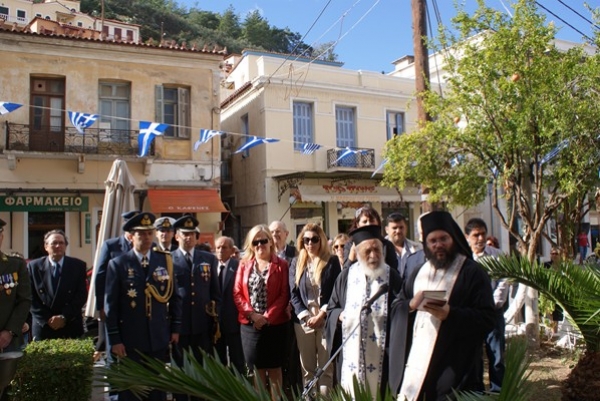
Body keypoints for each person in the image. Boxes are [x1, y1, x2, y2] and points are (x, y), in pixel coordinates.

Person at [388, 211, 495, 401]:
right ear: (426, 244)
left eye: (443, 238)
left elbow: (487, 318)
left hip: (458, 369)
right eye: (433, 240)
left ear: (453, 239)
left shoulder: (472, 273)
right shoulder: (418, 272)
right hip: (418, 367)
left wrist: (450, 315)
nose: (438, 244)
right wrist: (411, 305)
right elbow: (397, 306)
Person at [105, 212, 182, 401]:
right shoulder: (119, 264)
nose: (146, 237)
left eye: (149, 233)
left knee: (157, 389)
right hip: (130, 338)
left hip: (157, 335)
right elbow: (110, 306)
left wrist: (175, 329)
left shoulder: (165, 260)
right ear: (131, 237)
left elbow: (174, 297)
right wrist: (115, 339)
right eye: (141, 234)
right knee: (132, 389)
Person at [326, 225, 402, 399]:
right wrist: (339, 315)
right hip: (350, 358)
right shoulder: (345, 277)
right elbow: (332, 308)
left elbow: (402, 315)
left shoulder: (393, 278)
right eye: (368, 251)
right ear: (358, 253)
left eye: (377, 250)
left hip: (383, 359)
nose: (374, 255)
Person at [233, 225, 290, 400]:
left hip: (275, 325)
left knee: (274, 369)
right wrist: (252, 315)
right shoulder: (243, 265)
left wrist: (266, 317)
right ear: (251, 244)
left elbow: (284, 294)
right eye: (255, 241)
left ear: (270, 243)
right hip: (250, 327)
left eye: (263, 240)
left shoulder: (282, 265)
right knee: (256, 371)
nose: (260, 245)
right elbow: (237, 292)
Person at [170, 214, 220, 401]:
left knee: (201, 370)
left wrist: (216, 319)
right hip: (179, 326)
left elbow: (215, 293)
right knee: (180, 370)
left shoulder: (208, 258)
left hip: (202, 324)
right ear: (177, 236)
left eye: (192, 234)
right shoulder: (169, 259)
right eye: (184, 234)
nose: (188, 237)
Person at [289, 224, 341, 396]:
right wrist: (305, 317)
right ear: (302, 242)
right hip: (304, 322)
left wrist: (322, 314)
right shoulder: (296, 262)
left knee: (326, 368)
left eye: (314, 239)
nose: (310, 243)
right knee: (308, 369)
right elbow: (293, 294)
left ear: (321, 240)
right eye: (306, 240)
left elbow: (336, 291)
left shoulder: (331, 261)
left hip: (325, 319)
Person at [465, 217, 508, 393]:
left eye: (483, 234)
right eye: (476, 235)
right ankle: (477, 392)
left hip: (492, 313)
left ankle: (497, 390)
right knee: (474, 356)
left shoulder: (497, 256)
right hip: (471, 314)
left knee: (496, 354)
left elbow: (504, 282)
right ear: (467, 237)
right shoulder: (463, 258)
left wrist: (492, 303)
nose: (480, 238)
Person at [28, 230, 87, 340]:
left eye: (61, 243)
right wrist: (47, 319)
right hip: (44, 326)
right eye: (54, 243)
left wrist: (64, 317)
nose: (58, 246)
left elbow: (81, 295)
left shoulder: (78, 266)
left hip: (70, 324)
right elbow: (30, 297)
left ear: (66, 246)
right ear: (46, 246)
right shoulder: (33, 267)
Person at [268, 220, 301, 395]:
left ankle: (292, 389)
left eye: (279, 231)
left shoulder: (295, 254)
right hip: (272, 314)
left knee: (292, 353)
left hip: (291, 312)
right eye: (272, 232)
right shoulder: (266, 254)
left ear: (287, 234)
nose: (275, 235)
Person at [0, 219, 32, 400]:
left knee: (7, 392)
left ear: (1, 237)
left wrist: (9, 331)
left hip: (6, 342)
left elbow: (24, 300)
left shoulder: (15, 265)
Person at [214, 236, 245, 373]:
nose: (220, 250)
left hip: (233, 322)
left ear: (232, 250)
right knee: (218, 361)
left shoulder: (238, 267)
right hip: (215, 324)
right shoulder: (210, 266)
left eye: (224, 247)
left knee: (237, 360)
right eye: (218, 247)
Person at [342, 205, 398, 271]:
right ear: (357, 224)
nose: (368, 224)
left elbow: (394, 272)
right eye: (364, 221)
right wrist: (352, 256)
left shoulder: (387, 245)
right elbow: (344, 274)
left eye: (372, 221)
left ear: (378, 222)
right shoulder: (350, 245)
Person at [385, 212, 422, 279]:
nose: (398, 231)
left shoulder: (418, 248)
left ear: (406, 228)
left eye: (401, 227)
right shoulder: (380, 249)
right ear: (387, 230)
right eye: (394, 228)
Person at [544, 247, 564, 333]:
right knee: (549, 311)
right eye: (553, 253)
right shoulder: (546, 265)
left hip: (559, 292)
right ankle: (551, 331)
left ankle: (554, 332)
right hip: (549, 291)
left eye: (556, 254)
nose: (554, 255)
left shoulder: (563, 266)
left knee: (557, 313)